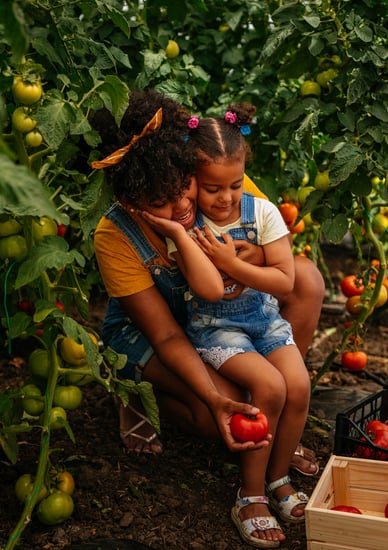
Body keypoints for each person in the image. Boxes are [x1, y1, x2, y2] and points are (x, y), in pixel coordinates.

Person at [91, 90, 325, 547]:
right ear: (132, 202)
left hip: (227, 314)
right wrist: (216, 402)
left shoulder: (210, 176)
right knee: (224, 415)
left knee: (308, 282)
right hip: (156, 330)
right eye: (159, 204)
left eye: (183, 189)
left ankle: (276, 429)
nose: (180, 205)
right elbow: (165, 333)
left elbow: (268, 238)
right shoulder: (113, 234)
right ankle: (140, 396)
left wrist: (249, 255)